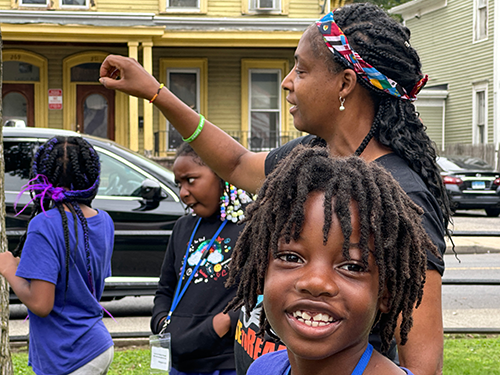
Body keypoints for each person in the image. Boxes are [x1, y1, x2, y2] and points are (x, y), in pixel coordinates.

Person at [99, 4, 450, 373]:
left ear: (345, 83)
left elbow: (423, 364)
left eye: (301, 69)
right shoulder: (311, 158)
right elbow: (236, 163)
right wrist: (156, 93)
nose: (287, 82)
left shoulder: (398, 197)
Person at [226, 146, 439, 375]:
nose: (316, 283)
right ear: (261, 271)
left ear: (385, 293)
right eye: (291, 257)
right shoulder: (262, 369)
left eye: (352, 266)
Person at [0, 136, 114, 375]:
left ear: (41, 176)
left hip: (70, 356)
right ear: (91, 176)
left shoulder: (45, 224)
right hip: (97, 345)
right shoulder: (104, 220)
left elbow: (42, 304)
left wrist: (9, 269)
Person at [150, 142, 253, 375]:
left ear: (221, 175)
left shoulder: (250, 225)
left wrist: (224, 323)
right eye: (179, 184)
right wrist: (160, 322)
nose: (183, 192)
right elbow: (165, 288)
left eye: (191, 180)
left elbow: (262, 293)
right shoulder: (183, 227)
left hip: (224, 363)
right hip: (179, 363)